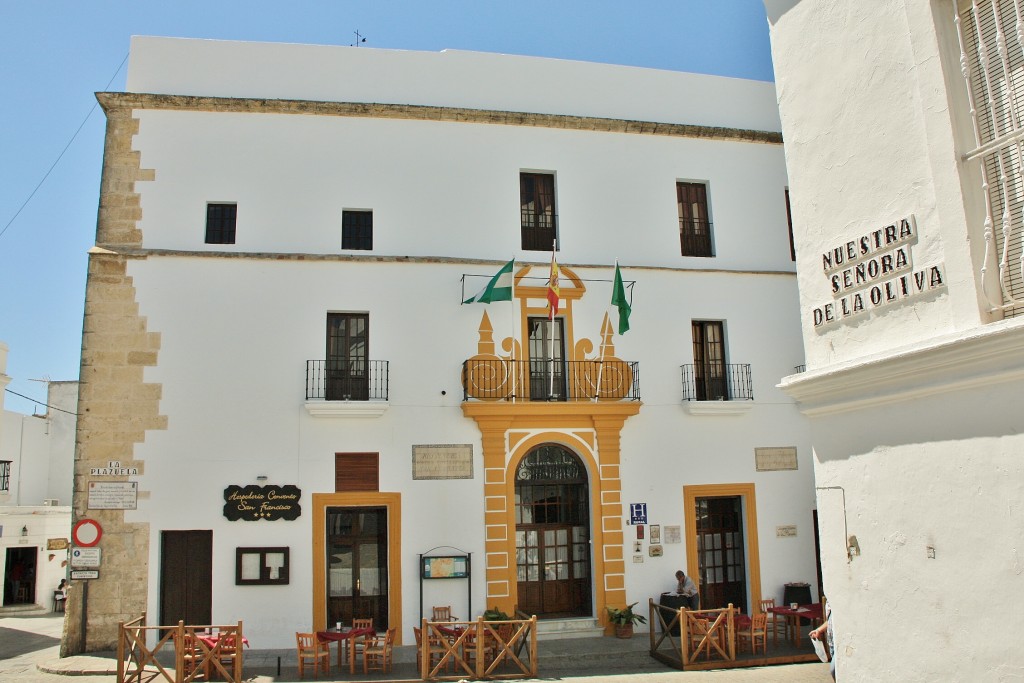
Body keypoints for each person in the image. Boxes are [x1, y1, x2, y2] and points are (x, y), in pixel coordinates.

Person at [810, 598, 835, 680]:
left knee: (834, 670)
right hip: (832, 644)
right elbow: (830, 620)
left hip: (840, 644)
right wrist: (819, 630)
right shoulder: (830, 601)